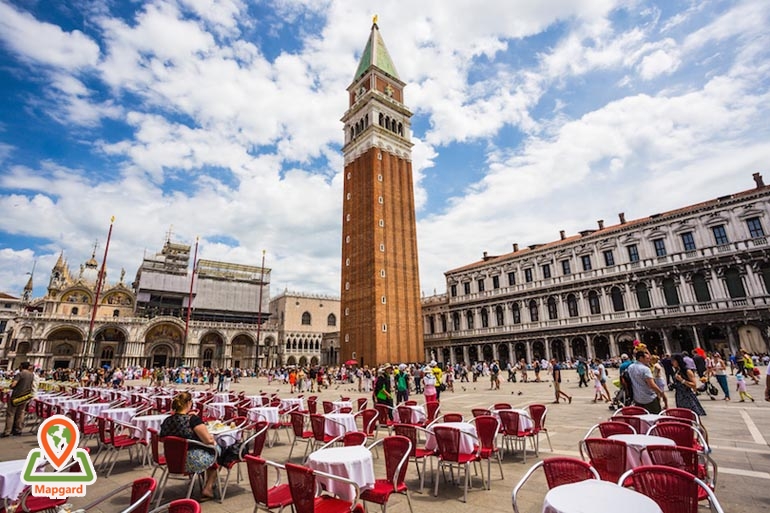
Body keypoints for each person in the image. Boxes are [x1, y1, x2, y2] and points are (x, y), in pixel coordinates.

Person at [159, 392, 219, 499]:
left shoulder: (167, 420)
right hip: (190, 461)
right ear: (189, 403)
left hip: (172, 461)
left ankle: (206, 483)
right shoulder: (192, 420)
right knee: (217, 451)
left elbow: (161, 438)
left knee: (210, 452)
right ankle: (208, 486)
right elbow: (209, 440)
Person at [2, 362, 35, 437]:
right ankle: (18, 429)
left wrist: (10, 386)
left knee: (11, 413)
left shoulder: (20, 374)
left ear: (22, 366)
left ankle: (7, 431)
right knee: (21, 413)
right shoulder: (31, 375)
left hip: (16, 396)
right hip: (25, 396)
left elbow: (14, 384)